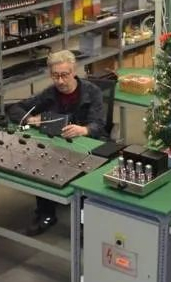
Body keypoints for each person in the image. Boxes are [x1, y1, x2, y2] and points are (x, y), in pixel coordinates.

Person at [6, 50, 106, 235]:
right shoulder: (49, 93)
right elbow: (15, 109)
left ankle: (84, 222)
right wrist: (30, 119)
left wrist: (84, 130)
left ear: (74, 71)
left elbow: (99, 124)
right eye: (55, 76)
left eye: (64, 75)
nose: (60, 81)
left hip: (85, 147)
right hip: (56, 146)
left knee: (85, 181)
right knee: (39, 161)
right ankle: (46, 214)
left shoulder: (92, 92)